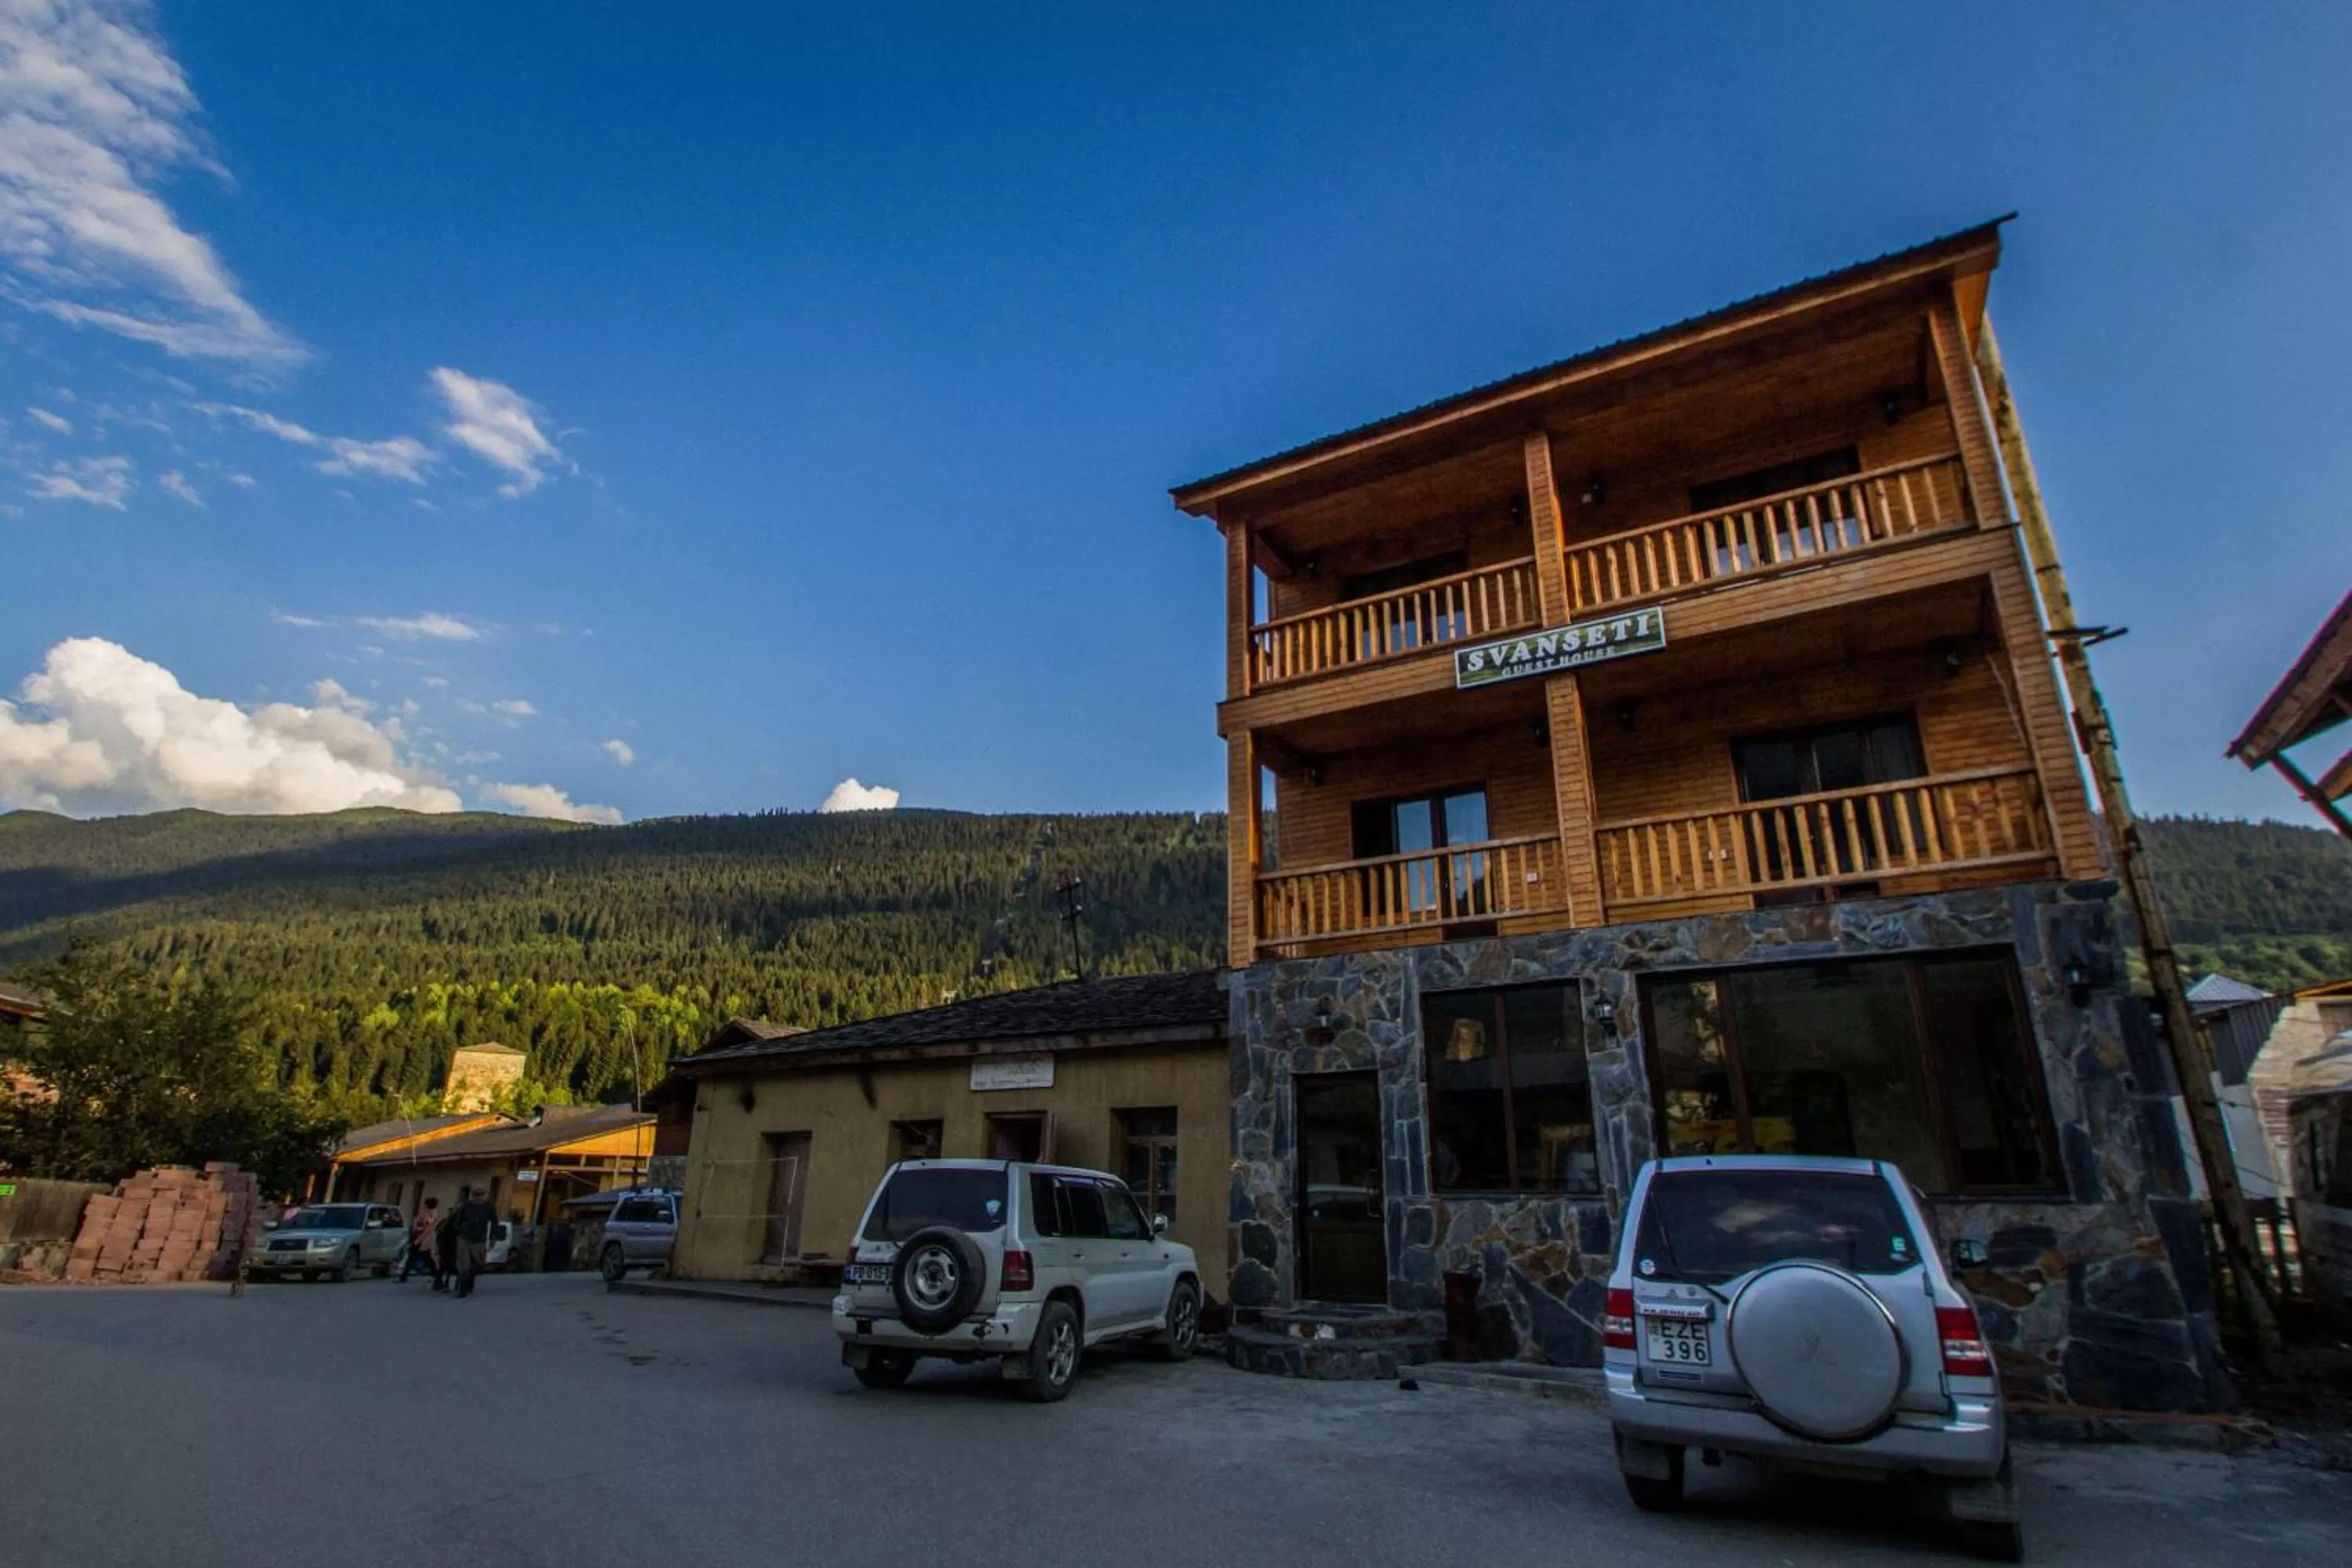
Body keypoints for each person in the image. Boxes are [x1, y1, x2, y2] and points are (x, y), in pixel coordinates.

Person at [451, 1186, 497, 1298]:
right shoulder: (466, 1207)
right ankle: (463, 1288)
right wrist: (460, 1231)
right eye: (477, 1195)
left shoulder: (488, 1207)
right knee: (464, 1265)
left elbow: (494, 1222)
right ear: (472, 1196)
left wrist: (492, 1238)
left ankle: (470, 1280)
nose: (479, 1197)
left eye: (481, 1195)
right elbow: (457, 1221)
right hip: (464, 1238)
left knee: (479, 1264)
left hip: (479, 1239)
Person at [401, 1197, 440, 1285]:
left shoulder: (431, 1214)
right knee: (415, 1257)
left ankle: (437, 1276)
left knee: (426, 1258)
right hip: (418, 1238)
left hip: (424, 1240)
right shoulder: (425, 1213)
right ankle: (404, 1276)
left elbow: (428, 1228)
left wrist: (419, 1240)